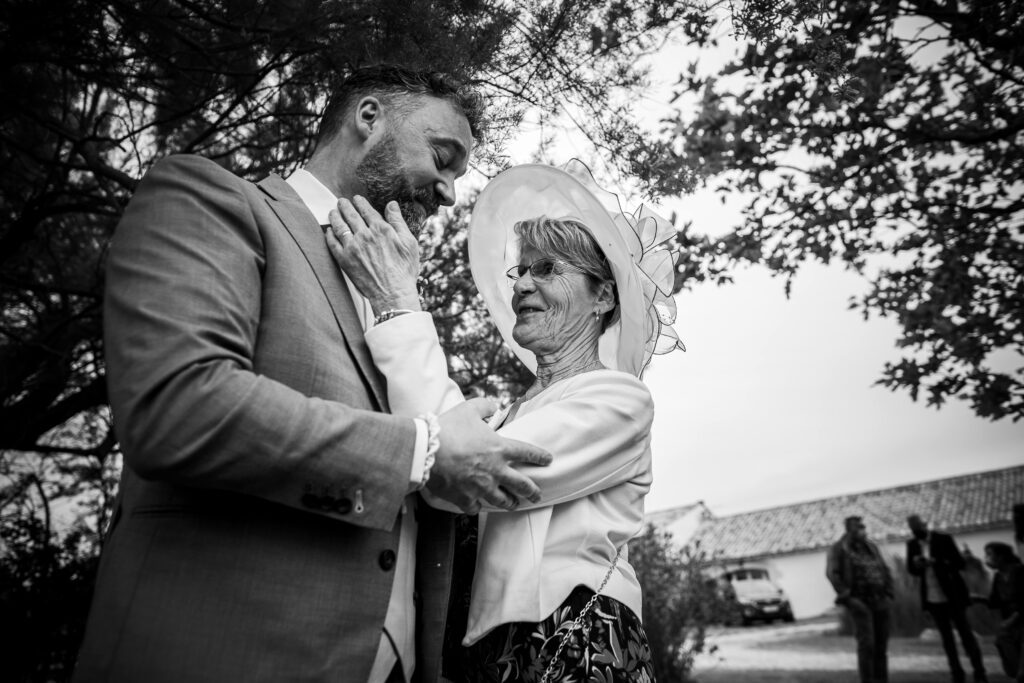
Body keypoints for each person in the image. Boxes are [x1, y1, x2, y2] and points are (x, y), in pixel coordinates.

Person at [72, 65, 553, 683]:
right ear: (369, 117)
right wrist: (425, 451)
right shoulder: (215, 199)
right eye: (443, 157)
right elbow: (181, 404)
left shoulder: (393, 280)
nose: (448, 193)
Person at [326, 161, 686, 681]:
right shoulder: (501, 416)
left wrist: (399, 304)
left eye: (547, 269)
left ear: (603, 297)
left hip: (572, 642)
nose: (522, 285)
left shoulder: (619, 400)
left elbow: (461, 471)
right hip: (483, 657)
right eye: (521, 270)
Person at [906, 514, 987, 683]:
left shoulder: (943, 539)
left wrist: (936, 562)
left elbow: (959, 563)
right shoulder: (912, 545)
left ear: (924, 524)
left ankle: (979, 671)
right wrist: (917, 565)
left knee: (966, 634)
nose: (916, 532)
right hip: (932, 596)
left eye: (918, 528)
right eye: (912, 529)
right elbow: (912, 571)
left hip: (952, 595)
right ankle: (956, 673)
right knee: (946, 638)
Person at [826, 515, 894, 683]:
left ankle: (881, 679)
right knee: (867, 645)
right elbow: (833, 574)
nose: (863, 530)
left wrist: (889, 591)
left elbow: (884, 568)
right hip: (859, 601)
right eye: (859, 527)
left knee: (881, 645)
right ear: (849, 530)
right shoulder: (839, 549)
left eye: (863, 527)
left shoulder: (871, 547)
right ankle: (868, 680)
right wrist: (847, 597)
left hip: (880, 599)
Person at [985, 541, 1024, 682]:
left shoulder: (1019, 572)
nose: (987, 558)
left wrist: (1013, 618)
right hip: (1010, 624)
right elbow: (994, 601)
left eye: (989, 554)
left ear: (1001, 557)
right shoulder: (998, 577)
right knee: (1003, 643)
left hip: (1019, 621)